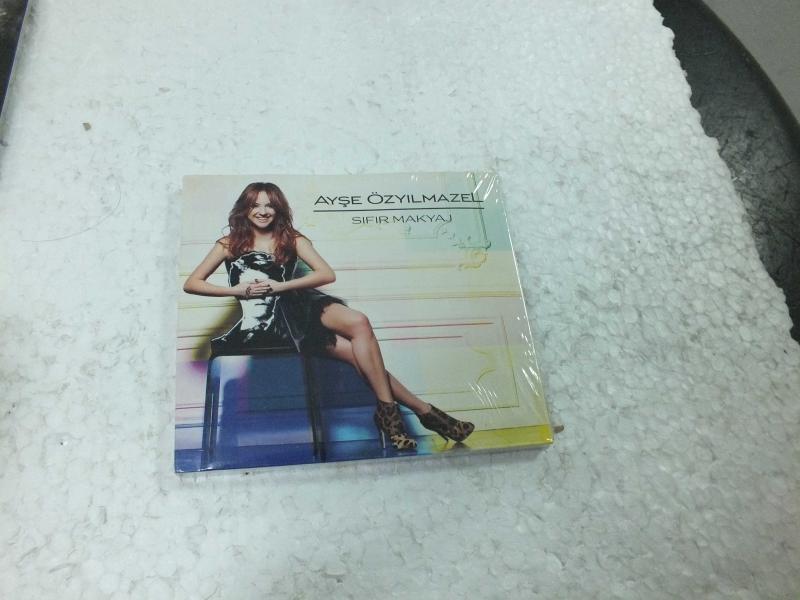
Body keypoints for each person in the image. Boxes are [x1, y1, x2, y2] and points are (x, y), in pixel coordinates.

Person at [183, 182, 474, 450]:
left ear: (278, 209)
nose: (262, 211)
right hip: (272, 323)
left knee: (359, 322)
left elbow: (326, 274)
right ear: (245, 209)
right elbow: (192, 283)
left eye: (269, 205)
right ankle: (423, 412)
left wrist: (280, 286)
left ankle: (391, 415)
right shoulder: (229, 243)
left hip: (298, 303)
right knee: (360, 357)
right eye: (255, 205)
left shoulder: (290, 238)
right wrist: (237, 290)